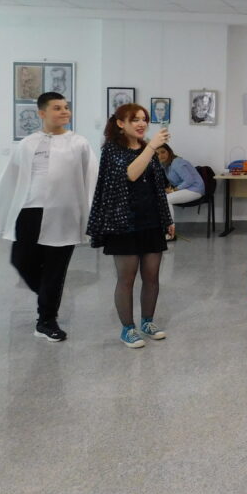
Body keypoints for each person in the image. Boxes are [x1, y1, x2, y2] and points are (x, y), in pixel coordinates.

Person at [0, 92, 98, 342]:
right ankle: (48, 294)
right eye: (57, 108)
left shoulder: (78, 143)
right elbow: (9, 180)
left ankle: (46, 321)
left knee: (56, 269)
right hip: (30, 212)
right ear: (42, 113)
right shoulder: (27, 143)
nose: (64, 111)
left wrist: (95, 215)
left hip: (65, 213)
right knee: (21, 260)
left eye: (66, 107)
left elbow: (92, 178)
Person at [87, 103, 174, 348]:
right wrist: (152, 147)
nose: (141, 123)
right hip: (123, 223)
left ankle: (148, 322)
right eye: (135, 119)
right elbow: (131, 173)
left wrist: (167, 219)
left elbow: (158, 188)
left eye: (144, 119)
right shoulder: (112, 150)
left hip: (151, 221)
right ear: (120, 123)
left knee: (152, 276)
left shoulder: (148, 149)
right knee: (126, 278)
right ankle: (128, 328)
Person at [154, 144, 205, 225]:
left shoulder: (177, 162)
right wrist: (169, 188)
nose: (160, 156)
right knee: (158, 197)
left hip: (195, 189)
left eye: (163, 152)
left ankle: (170, 228)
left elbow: (189, 180)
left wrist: (174, 190)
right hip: (185, 189)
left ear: (169, 152)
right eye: (157, 154)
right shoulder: (165, 165)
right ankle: (162, 226)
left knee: (165, 200)